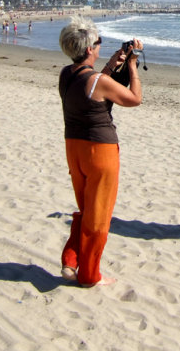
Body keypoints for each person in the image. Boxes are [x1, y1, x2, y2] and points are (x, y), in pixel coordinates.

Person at [58, 16, 143, 286]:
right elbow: (134, 99)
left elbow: (92, 86)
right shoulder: (97, 81)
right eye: (98, 43)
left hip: (74, 148)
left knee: (86, 208)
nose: (99, 46)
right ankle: (89, 275)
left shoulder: (66, 74)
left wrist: (112, 63)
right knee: (100, 215)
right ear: (88, 49)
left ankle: (71, 260)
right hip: (100, 151)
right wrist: (132, 66)